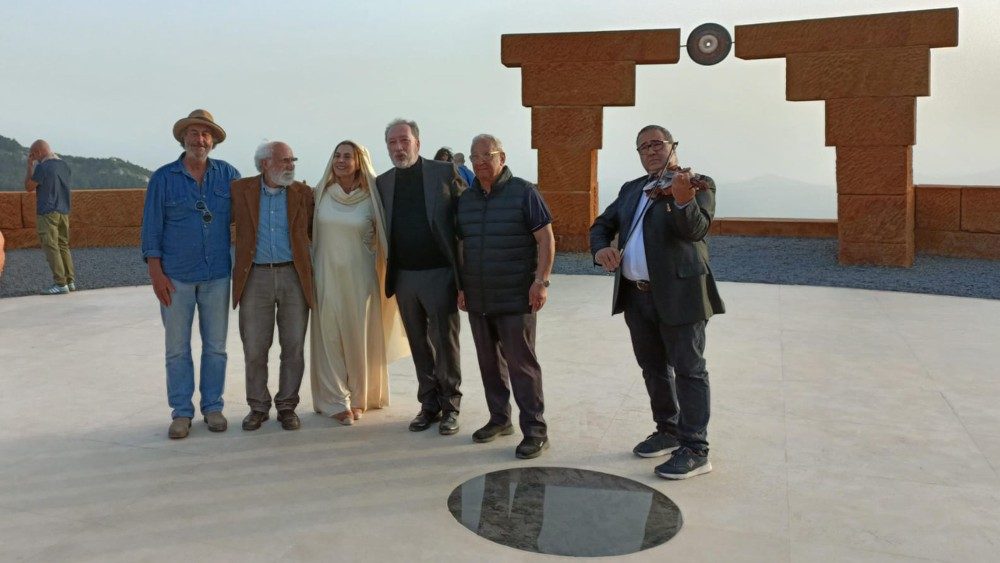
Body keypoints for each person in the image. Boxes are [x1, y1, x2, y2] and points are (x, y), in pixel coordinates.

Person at [589, 124, 725, 479]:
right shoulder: (632, 189)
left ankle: (696, 449)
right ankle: (668, 429)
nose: (650, 151)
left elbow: (695, 230)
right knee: (652, 367)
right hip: (637, 296)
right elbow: (601, 225)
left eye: (657, 144)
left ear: (672, 146)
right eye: (643, 147)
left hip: (681, 294)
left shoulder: (698, 184)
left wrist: (682, 200)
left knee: (689, 370)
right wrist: (601, 249)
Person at [141, 109, 241, 439]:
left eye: (206, 134)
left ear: (213, 141)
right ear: (183, 138)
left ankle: (212, 407)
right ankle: (182, 412)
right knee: (176, 349)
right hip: (175, 277)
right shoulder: (163, 178)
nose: (200, 139)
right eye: (194, 133)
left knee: (216, 347)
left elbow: (248, 216)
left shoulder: (229, 175)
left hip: (217, 275)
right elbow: (151, 228)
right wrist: (156, 273)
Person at [457, 134, 555, 459]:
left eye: (487, 155)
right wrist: (461, 287)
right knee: (489, 364)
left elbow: (546, 239)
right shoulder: (466, 199)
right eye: (475, 156)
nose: (480, 162)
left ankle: (536, 432)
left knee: (522, 366)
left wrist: (541, 281)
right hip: (478, 297)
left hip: (516, 296)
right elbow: (462, 245)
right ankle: (499, 419)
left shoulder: (524, 192)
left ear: (502, 157)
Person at [376, 119, 466, 435]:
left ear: (417, 142)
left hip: (440, 273)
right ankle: (429, 405)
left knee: (445, 343)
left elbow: (464, 221)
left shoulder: (443, 173)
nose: (398, 148)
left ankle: (451, 406)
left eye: (404, 140)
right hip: (404, 277)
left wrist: (464, 277)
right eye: (392, 142)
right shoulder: (383, 183)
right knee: (418, 344)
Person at [310, 140, 408, 425]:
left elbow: (386, 236)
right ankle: (335, 400)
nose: (341, 161)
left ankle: (359, 397)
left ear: (359, 162)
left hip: (361, 279)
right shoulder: (320, 194)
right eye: (337, 155)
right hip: (326, 277)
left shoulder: (372, 197)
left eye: (347, 156)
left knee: (358, 338)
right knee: (329, 338)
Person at [231, 141, 314, 432]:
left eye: (293, 160)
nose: (291, 165)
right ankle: (258, 407)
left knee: (293, 346)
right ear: (265, 163)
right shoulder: (240, 190)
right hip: (255, 277)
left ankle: (287, 406)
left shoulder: (304, 194)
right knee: (255, 347)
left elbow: (318, 231)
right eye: (284, 160)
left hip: (294, 276)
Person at [24, 140, 75, 295]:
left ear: (38, 152)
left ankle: (60, 283)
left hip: (47, 211)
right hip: (63, 211)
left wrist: (30, 166)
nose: (34, 158)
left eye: (34, 155)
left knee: (50, 246)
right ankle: (70, 281)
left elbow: (28, 187)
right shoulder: (64, 166)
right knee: (63, 245)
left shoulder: (42, 167)